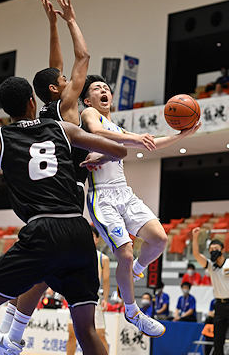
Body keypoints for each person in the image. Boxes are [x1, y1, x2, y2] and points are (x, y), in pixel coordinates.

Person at [0, 76, 127, 355]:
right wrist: (93, 158)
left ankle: (1, 345)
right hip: (79, 230)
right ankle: (7, 341)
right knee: (87, 331)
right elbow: (119, 150)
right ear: (32, 102)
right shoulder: (62, 128)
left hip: (42, 231)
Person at [0, 0, 95, 351]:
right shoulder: (65, 111)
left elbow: (57, 65)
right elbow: (80, 58)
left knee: (42, 268)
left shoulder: (48, 109)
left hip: (46, 202)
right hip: (70, 193)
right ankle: (130, 304)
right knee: (58, 262)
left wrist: (51, 25)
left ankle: (11, 331)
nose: (69, 78)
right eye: (64, 79)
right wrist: (69, 21)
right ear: (55, 89)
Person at [79, 74, 201, 337]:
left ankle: (135, 271)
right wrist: (134, 141)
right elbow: (98, 132)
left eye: (106, 88)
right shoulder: (90, 114)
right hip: (102, 196)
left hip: (125, 192)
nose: (104, 90)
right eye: (97, 88)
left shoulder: (119, 128)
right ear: (88, 99)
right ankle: (132, 311)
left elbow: (151, 144)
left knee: (159, 240)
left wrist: (184, 134)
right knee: (124, 251)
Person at [67, 225, 110, 354]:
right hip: (76, 297)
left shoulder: (103, 258)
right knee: (71, 335)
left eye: (92, 236)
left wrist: (106, 299)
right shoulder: (74, 256)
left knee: (100, 335)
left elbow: (106, 281)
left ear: (97, 239)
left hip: (94, 300)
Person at [193, 226, 229, 355]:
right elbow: (196, 255)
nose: (213, 251)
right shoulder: (210, 266)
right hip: (219, 306)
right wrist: (195, 237)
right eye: (211, 250)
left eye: (216, 249)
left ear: (223, 250)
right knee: (218, 340)